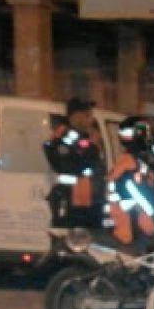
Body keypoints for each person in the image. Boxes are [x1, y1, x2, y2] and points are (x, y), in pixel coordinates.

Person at [43, 97, 106, 228]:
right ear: (76, 117)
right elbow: (70, 165)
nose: (91, 120)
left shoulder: (83, 136)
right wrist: (93, 147)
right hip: (70, 202)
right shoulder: (64, 137)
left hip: (87, 202)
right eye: (87, 115)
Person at [104, 116, 154, 246]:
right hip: (132, 231)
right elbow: (135, 193)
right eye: (146, 132)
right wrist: (151, 211)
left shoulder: (131, 161)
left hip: (132, 229)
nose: (149, 137)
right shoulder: (130, 164)